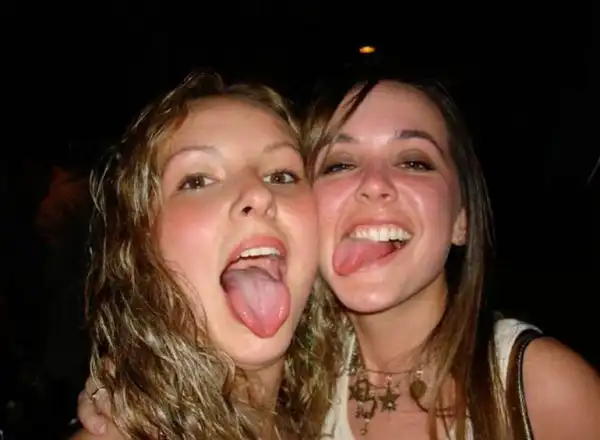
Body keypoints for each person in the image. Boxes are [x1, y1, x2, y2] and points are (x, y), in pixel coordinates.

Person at [78, 66, 600, 439]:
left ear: (462, 216)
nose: (374, 184)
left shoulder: (541, 390)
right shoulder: (305, 374)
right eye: (339, 165)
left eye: (414, 161)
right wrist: (142, 381)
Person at [70, 71, 343, 440]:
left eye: (281, 175)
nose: (258, 194)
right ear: (139, 242)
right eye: (197, 180)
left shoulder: (324, 403)